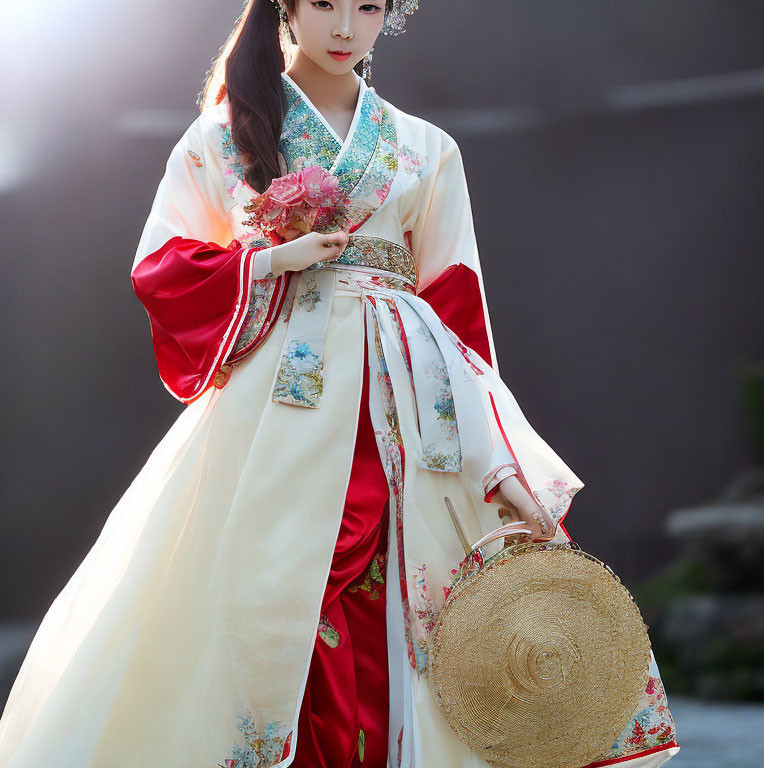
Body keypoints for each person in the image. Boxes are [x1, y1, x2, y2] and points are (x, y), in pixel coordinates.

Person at [0, 1, 680, 767]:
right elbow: (161, 269)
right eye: (324, 3)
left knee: (433, 622)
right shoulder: (223, 138)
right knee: (266, 604)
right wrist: (268, 262)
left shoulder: (427, 149)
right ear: (285, 7)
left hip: (416, 413)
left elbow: (457, 314)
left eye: (366, 6)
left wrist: (500, 461)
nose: (345, 27)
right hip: (280, 412)